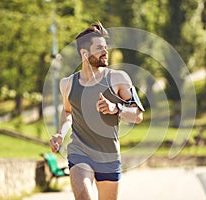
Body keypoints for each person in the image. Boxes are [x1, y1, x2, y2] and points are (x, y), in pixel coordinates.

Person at [50, 22, 144, 200]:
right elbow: (68, 112)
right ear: (84, 53)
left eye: (106, 47)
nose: (106, 51)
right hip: (79, 153)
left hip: (108, 157)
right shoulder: (68, 84)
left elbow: (138, 116)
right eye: (100, 48)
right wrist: (60, 134)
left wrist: (115, 108)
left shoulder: (119, 78)